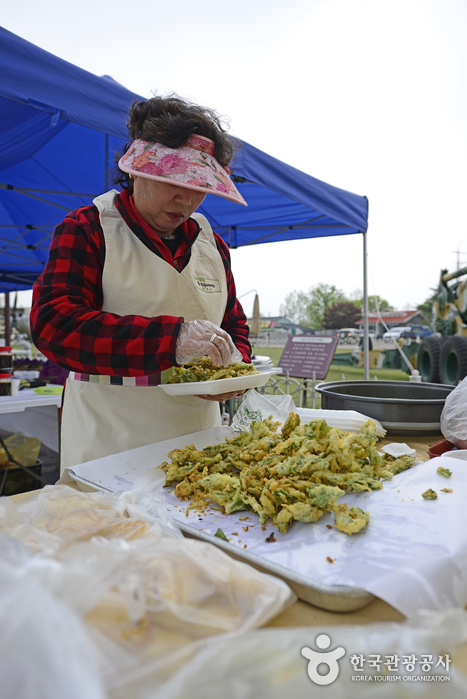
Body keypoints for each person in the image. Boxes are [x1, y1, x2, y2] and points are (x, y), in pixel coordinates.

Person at [30, 95, 252, 473]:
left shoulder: (211, 246)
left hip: (199, 448)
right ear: (135, 169)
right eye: (171, 181)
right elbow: (53, 323)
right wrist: (172, 340)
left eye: (199, 185)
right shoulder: (88, 229)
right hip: (109, 448)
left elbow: (234, 326)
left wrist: (237, 370)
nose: (186, 198)